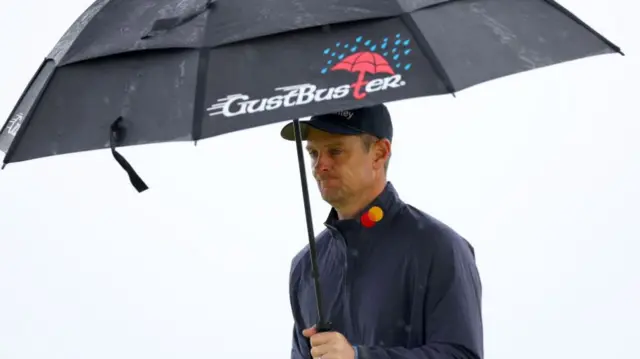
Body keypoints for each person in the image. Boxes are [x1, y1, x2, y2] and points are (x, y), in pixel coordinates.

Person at [279, 104, 483, 359]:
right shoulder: (305, 266)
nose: (320, 166)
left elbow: (461, 356)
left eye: (336, 151)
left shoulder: (439, 247)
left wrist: (359, 356)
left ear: (379, 153)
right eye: (313, 153)